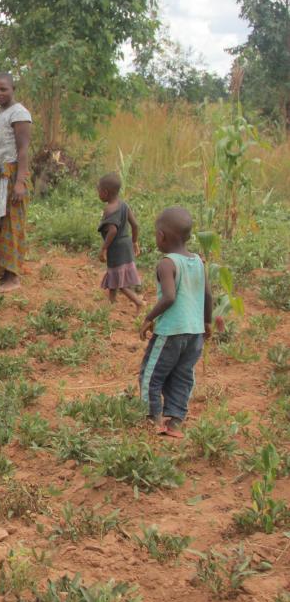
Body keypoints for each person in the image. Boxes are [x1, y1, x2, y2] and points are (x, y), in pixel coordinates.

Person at [138, 207, 212, 438]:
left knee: (151, 375)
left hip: (171, 332)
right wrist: (207, 323)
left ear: (161, 236)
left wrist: (149, 317)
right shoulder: (198, 262)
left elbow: (169, 297)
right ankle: (175, 421)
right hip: (195, 333)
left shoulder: (167, 263)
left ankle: (152, 418)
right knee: (182, 375)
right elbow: (208, 295)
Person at [0, 73, 32, 292]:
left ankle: (13, 277)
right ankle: (1, 272)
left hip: (10, 175)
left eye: (3, 89)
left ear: (13, 89)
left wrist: (20, 182)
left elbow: (23, 150)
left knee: (11, 222)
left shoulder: (19, 113)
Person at [97, 172, 144, 308]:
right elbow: (135, 225)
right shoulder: (124, 205)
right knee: (114, 273)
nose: (98, 193)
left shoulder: (109, 209)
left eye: (99, 191)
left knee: (120, 283)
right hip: (126, 245)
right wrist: (134, 242)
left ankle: (138, 302)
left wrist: (104, 248)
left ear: (105, 192)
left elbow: (112, 230)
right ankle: (111, 303)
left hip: (116, 248)